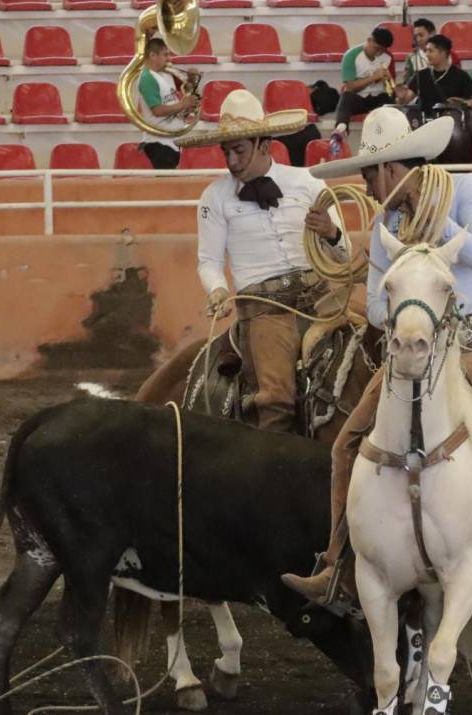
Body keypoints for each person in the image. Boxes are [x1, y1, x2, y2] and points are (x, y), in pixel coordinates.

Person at [284, 106, 472, 612]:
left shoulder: (468, 192)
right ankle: (337, 564)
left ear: (392, 169)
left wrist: (433, 224)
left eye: (370, 174)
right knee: (345, 443)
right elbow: (376, 306)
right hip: (412, 356)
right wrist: (404, 309)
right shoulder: (384, 224)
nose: (369, 187)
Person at [178, 90, 348, 432]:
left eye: (238, 150)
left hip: (322, 297)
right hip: (264, 308)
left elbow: (342, 254)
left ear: (263, 145)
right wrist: (217, 290)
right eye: (226, 151)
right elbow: (209, 260)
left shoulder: (308, 181)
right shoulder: (215, 197)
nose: (231, 161)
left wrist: (330, 232)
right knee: (276, 399)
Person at [136, 38, 199, 170]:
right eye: (165, 54)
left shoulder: (166, 74)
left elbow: (184, 91)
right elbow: (157, 110)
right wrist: (183, 105)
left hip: (171, 140)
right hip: (159, 142)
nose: (168, 58)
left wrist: (192, 80)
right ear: (152, 55)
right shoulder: (147, 77)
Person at [331, 28, 396, 145]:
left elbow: (391, 86)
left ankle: (388, 135)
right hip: (359, 98)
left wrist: (388, 79)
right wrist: (374, 77)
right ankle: (341, 129)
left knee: (390, 100)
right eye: (376, 48)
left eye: (382, 50)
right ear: (369, 40)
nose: (378, 53)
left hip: (379, 97)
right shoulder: (351, 56)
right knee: (346, 97)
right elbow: (350, 86)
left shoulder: (388, 57)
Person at [396, 34, 472, 118]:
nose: (426, 54)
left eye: (431, 51)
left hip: (453, 123)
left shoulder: (460, 75)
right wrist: (401, 98)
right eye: (426, 50)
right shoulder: (421, 75)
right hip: (427, 124)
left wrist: (463, 103)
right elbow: (405, 100)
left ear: (443, 53)